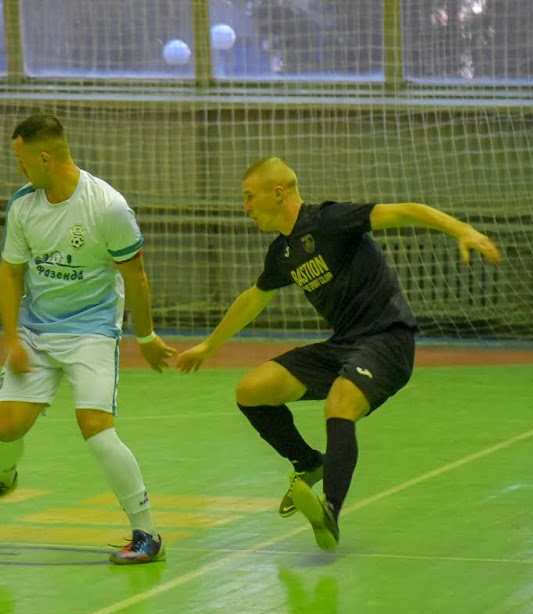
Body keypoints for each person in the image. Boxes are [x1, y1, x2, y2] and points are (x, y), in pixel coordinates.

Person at [177, 157, 501, 551]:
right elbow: (254, 299)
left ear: (277, 192)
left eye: (249, 196)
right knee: (252, 390)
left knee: (340, 403)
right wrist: (209, 345)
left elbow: (405, 211)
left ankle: (330, 509)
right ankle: (308, 463)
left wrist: (461, 229)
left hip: (387, 339)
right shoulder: (282, 253)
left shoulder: (329, 221)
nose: (245, 207)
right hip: (345, 343)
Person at [0, 113, 177, 564]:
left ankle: (147, 533)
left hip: (92, 331)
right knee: (5, 428)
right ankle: (1, 480)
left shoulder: (107, 206)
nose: (19, 170)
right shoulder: (23, 206)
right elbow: (10, 271)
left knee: (96, 428)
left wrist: (146, 335)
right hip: (37, 332)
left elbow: (134, 274)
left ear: (44, 157)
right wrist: (13, 338)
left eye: (21, 161)